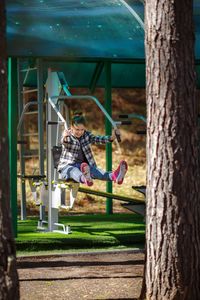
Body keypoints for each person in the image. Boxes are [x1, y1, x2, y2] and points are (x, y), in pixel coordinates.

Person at [57, 112, 128, 186]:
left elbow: (97, 139)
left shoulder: (86, 135)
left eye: (82, 130)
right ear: (71, 127)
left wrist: (112, 137)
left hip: (83, 167)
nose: (80, 132)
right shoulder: (68, 136)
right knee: (74, 171)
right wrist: (65, 136)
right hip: (67, 167)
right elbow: (64, 141)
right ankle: (85, 178)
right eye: (77, 130)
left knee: (96, 171)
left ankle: (115, 176)